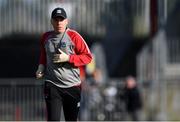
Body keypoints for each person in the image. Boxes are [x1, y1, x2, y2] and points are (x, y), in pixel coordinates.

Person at [35, 7, 92, 121]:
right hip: (52, 84)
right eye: (56, 20)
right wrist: (41, 67)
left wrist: (68, 58)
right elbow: (43, 54)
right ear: (51, 21)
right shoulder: (46, 37)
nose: (59, 22)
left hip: (72, 86)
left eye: (61, 19)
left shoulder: (74, 36)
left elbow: (88, 57)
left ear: (67, 21)